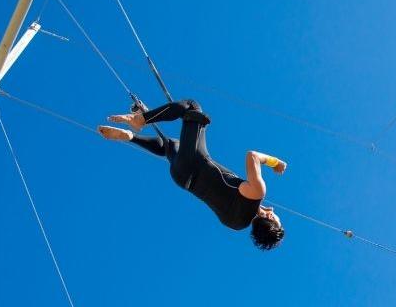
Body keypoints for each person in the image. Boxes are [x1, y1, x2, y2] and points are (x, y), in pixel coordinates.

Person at [99, 99, 286, 250]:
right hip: (182, 178)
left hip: (196, 161)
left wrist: (275, 162)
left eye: (277, 220)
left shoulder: (257, 192)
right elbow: (231, 199)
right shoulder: (237, 225)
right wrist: (259, 208)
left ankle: (140, 119)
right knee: (170, 146)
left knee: (192, 107)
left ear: (270, 220)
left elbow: (252, 156)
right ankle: (131, 137)